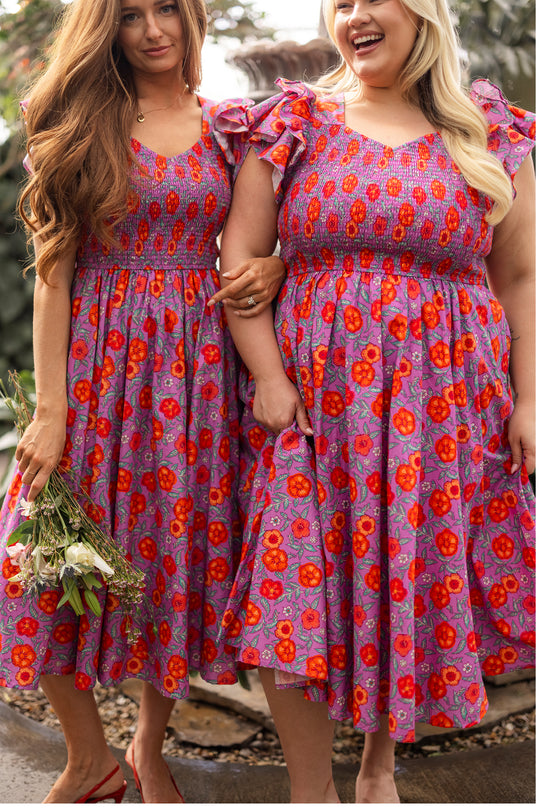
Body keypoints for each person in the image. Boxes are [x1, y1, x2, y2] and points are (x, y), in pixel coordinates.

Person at [212, 0, 535, 802]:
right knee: (296, 586)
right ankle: (310, 791)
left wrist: (530, 401)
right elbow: (241, 256)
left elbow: (521, 277)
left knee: (403, 570)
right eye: (340, 4)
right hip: (316, 403)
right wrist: (271, 380)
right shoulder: (295, 120)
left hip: (443, 407)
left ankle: (378, 768)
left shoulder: (488, 131)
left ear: (422, 11)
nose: (353, 15)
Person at [0, 0, 284, 803]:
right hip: (97, 372)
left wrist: (273, 268)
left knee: (172, 562)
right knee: (35, 563)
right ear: (106, 29)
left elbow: (261, 238)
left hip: (198, 378)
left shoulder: (233, 127)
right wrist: (50, 408)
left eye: (168, 9)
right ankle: (87, 758)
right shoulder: (81, 121)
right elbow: (54, 271)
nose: (154, 29)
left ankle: (145, 748)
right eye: (130, 15)